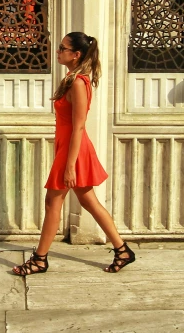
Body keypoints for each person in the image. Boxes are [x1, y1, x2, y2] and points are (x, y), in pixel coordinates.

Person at [12, 32, 135, 277]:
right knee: (89, 201)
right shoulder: (72, 78)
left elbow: (79, 126)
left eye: (62, 48)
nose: (57, 51)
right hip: (68, 148)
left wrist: (69, 166)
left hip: (73, 151)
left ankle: (40, 259)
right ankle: (122, 250)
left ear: (75, 54)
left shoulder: (79, 83)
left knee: (53, 202)